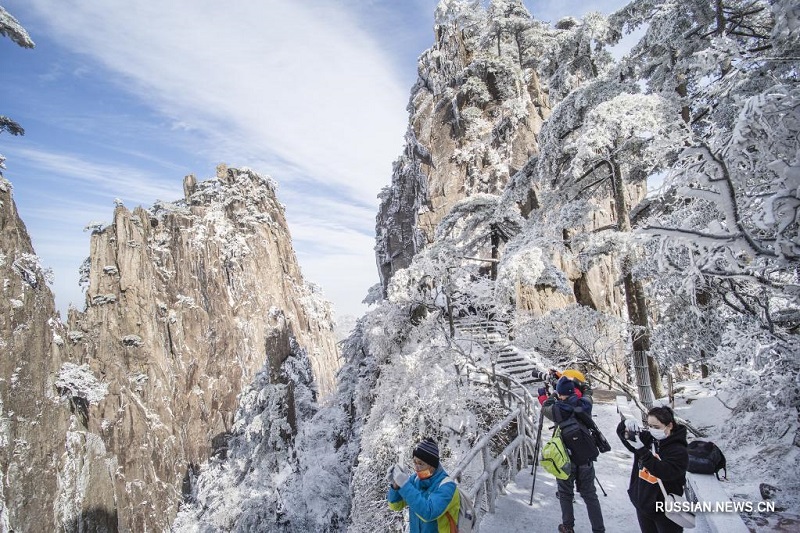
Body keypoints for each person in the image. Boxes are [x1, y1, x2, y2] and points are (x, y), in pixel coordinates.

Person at [539, 376, 605, 533]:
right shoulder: (585, 404)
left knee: (565, 494)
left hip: (565, 459)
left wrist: (553, 394)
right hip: (585, 458)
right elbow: (588, 392)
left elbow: (545, 405)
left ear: (561, 393)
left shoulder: (557, 410)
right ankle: (599, 530)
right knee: (590, 496)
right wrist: (580, 384)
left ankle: (568, 527)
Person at [616, 406, 689, 533]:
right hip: (643, 505)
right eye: (649, 426)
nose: (652, 430)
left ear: (669, 426)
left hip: (665, 509)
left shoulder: (679, 450)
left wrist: (643, 451)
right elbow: (625, 436)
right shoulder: (648, 439)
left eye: (656, 427)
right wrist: (625, 424)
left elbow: (664, 471)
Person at [387, 438, 460, 532]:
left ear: (432, 464)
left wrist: (405, 485)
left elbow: (428, 513)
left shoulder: (447, 487)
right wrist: (395, 485)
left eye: (421, 464)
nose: (416, 468)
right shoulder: (415, 479)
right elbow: (395, 506)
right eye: (415, 462)